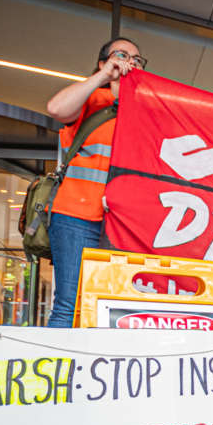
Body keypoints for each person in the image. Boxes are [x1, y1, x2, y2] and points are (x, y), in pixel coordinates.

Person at [44, 37, 146, 327]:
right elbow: (56, 108)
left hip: (122, 224)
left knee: (118, 304)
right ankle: (57, 372)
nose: (129, 62)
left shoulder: (143, 111)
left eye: (136, 59)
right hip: (76, 216)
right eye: (121, 55)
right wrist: (104, 77)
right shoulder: (91, 100)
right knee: (70, 303)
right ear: (104, 62)